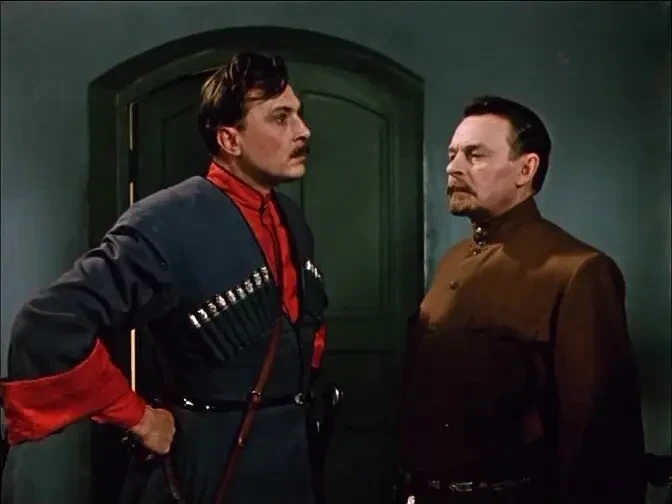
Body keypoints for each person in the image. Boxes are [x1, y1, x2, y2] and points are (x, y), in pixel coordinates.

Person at [0, 51, 331, 504]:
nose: (303, 130)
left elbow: (305, 322)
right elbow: (49, 323)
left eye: (298, 114)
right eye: (281, 117)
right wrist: (139, 419)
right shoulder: (169, 220)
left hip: (290, 460)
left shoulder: (290, 217)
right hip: (209, 461)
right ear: (230, 139)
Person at [395, 96, 646, 504]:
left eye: (475, 155)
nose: (453, 167)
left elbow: (599, 438)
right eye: (452, 154)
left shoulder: (578, 271)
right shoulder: (454, 260)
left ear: (526, 169)